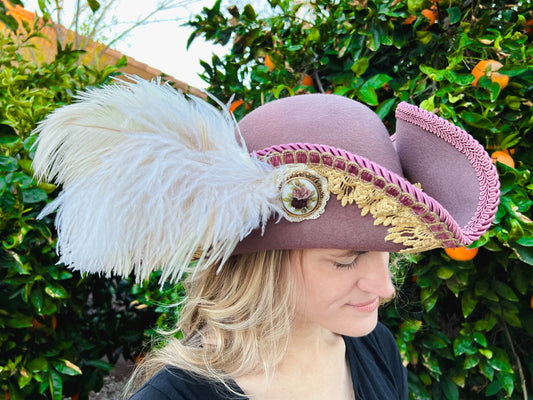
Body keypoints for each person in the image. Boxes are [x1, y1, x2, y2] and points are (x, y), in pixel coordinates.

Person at [32, 78, 500, 400]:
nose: (385, 287)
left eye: (388, 254)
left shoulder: (373, 347)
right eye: (345, 259)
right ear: (263, 261)